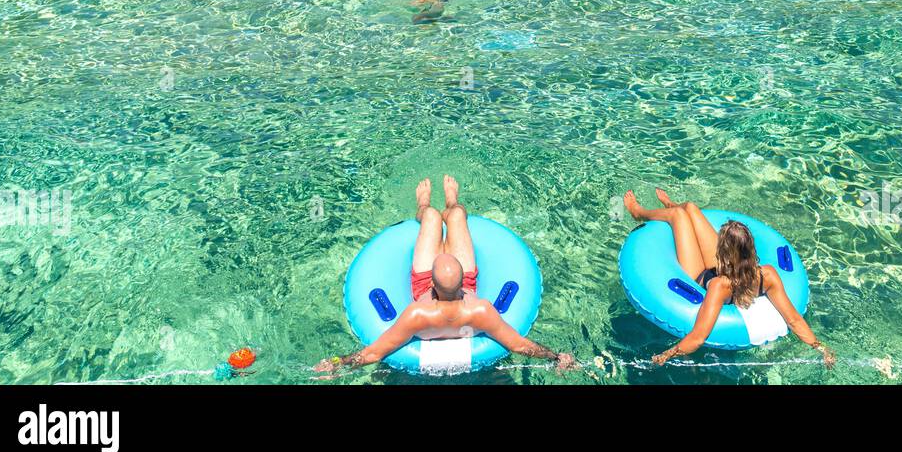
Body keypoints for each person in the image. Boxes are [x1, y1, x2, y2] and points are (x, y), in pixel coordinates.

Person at [316, 176, 578, 375]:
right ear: (465, 279)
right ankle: (452, 202)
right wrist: (556, 357)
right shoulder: (481, 311)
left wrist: (337, 363)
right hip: (457, 291)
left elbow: (374, 352)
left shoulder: (418, 314)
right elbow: (520, 346)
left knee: (430, 217)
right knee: (458, 216)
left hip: (433, 293)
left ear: (430, 282)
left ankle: (425, 206)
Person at [622, 188, 835, 367]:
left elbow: (698, 337)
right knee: (691, 208)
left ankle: (638, 211)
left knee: (679, 216)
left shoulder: (720, 286)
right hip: (728, 268)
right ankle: (672, 205)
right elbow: (794, 319)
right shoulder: (767, 274)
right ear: (750, 250)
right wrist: (820, 348)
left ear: (722, 253)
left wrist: (666, 355)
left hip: (699, 275)